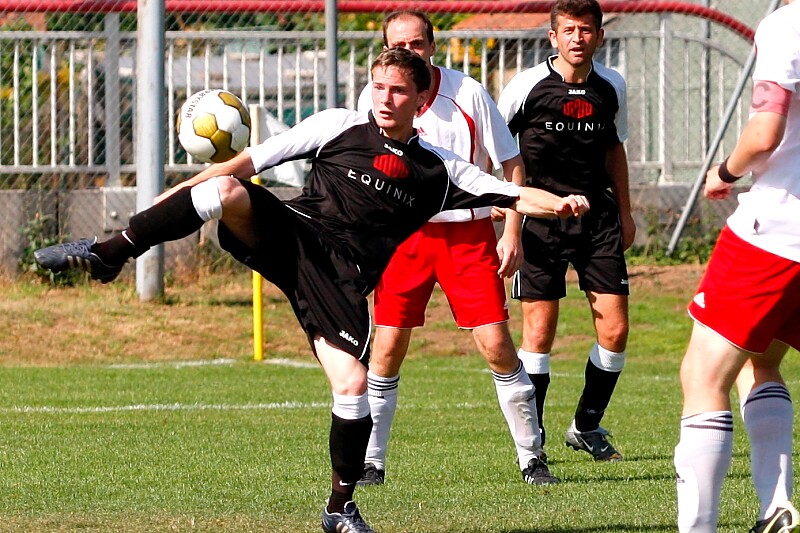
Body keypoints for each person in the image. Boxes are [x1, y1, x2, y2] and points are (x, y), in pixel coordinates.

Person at [33, 48, 590, 533]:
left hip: (342, 279)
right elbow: (244, 164)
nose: (386, 98)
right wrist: (165, 202)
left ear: (421, 100)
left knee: (353, 386)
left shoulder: (440, 170)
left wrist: (561, 203)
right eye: (379, 86)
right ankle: (109, 254)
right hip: (293, 234)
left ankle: (339, 509)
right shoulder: (337, 125)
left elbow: (514, 194)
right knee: (225, 191)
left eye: (399, 90)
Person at [354, 10, 557, 488]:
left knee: (497, 346)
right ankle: (371, 463)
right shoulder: (374, 96)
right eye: (398, 45)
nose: (408, 52)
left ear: (432, 46)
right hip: (404, 239)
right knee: (387, 348)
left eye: (416, 44)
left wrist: (512, 233)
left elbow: (511, 164)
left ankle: (532, 457)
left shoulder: (467, 93)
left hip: (467, 237)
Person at [673, 1, 800, 531]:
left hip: (778, 231)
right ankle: (775, 505)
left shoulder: (787, 24)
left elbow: (765, 132)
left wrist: (724, 172)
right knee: (761, 359)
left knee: (703, 375)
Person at [496, 0, 634, 462]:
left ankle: (586, 426)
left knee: (615, 329)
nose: (578, 38)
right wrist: (501, 202)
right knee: (539, 332)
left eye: (586, 29)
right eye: (569, 30)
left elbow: (615, 149)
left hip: (598, 221)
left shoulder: (612, 85)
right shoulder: (526, 86)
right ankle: (532, 444)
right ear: (553, 37)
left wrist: (626, 213)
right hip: (539, 220)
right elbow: (499, 147)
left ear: (600, 36)